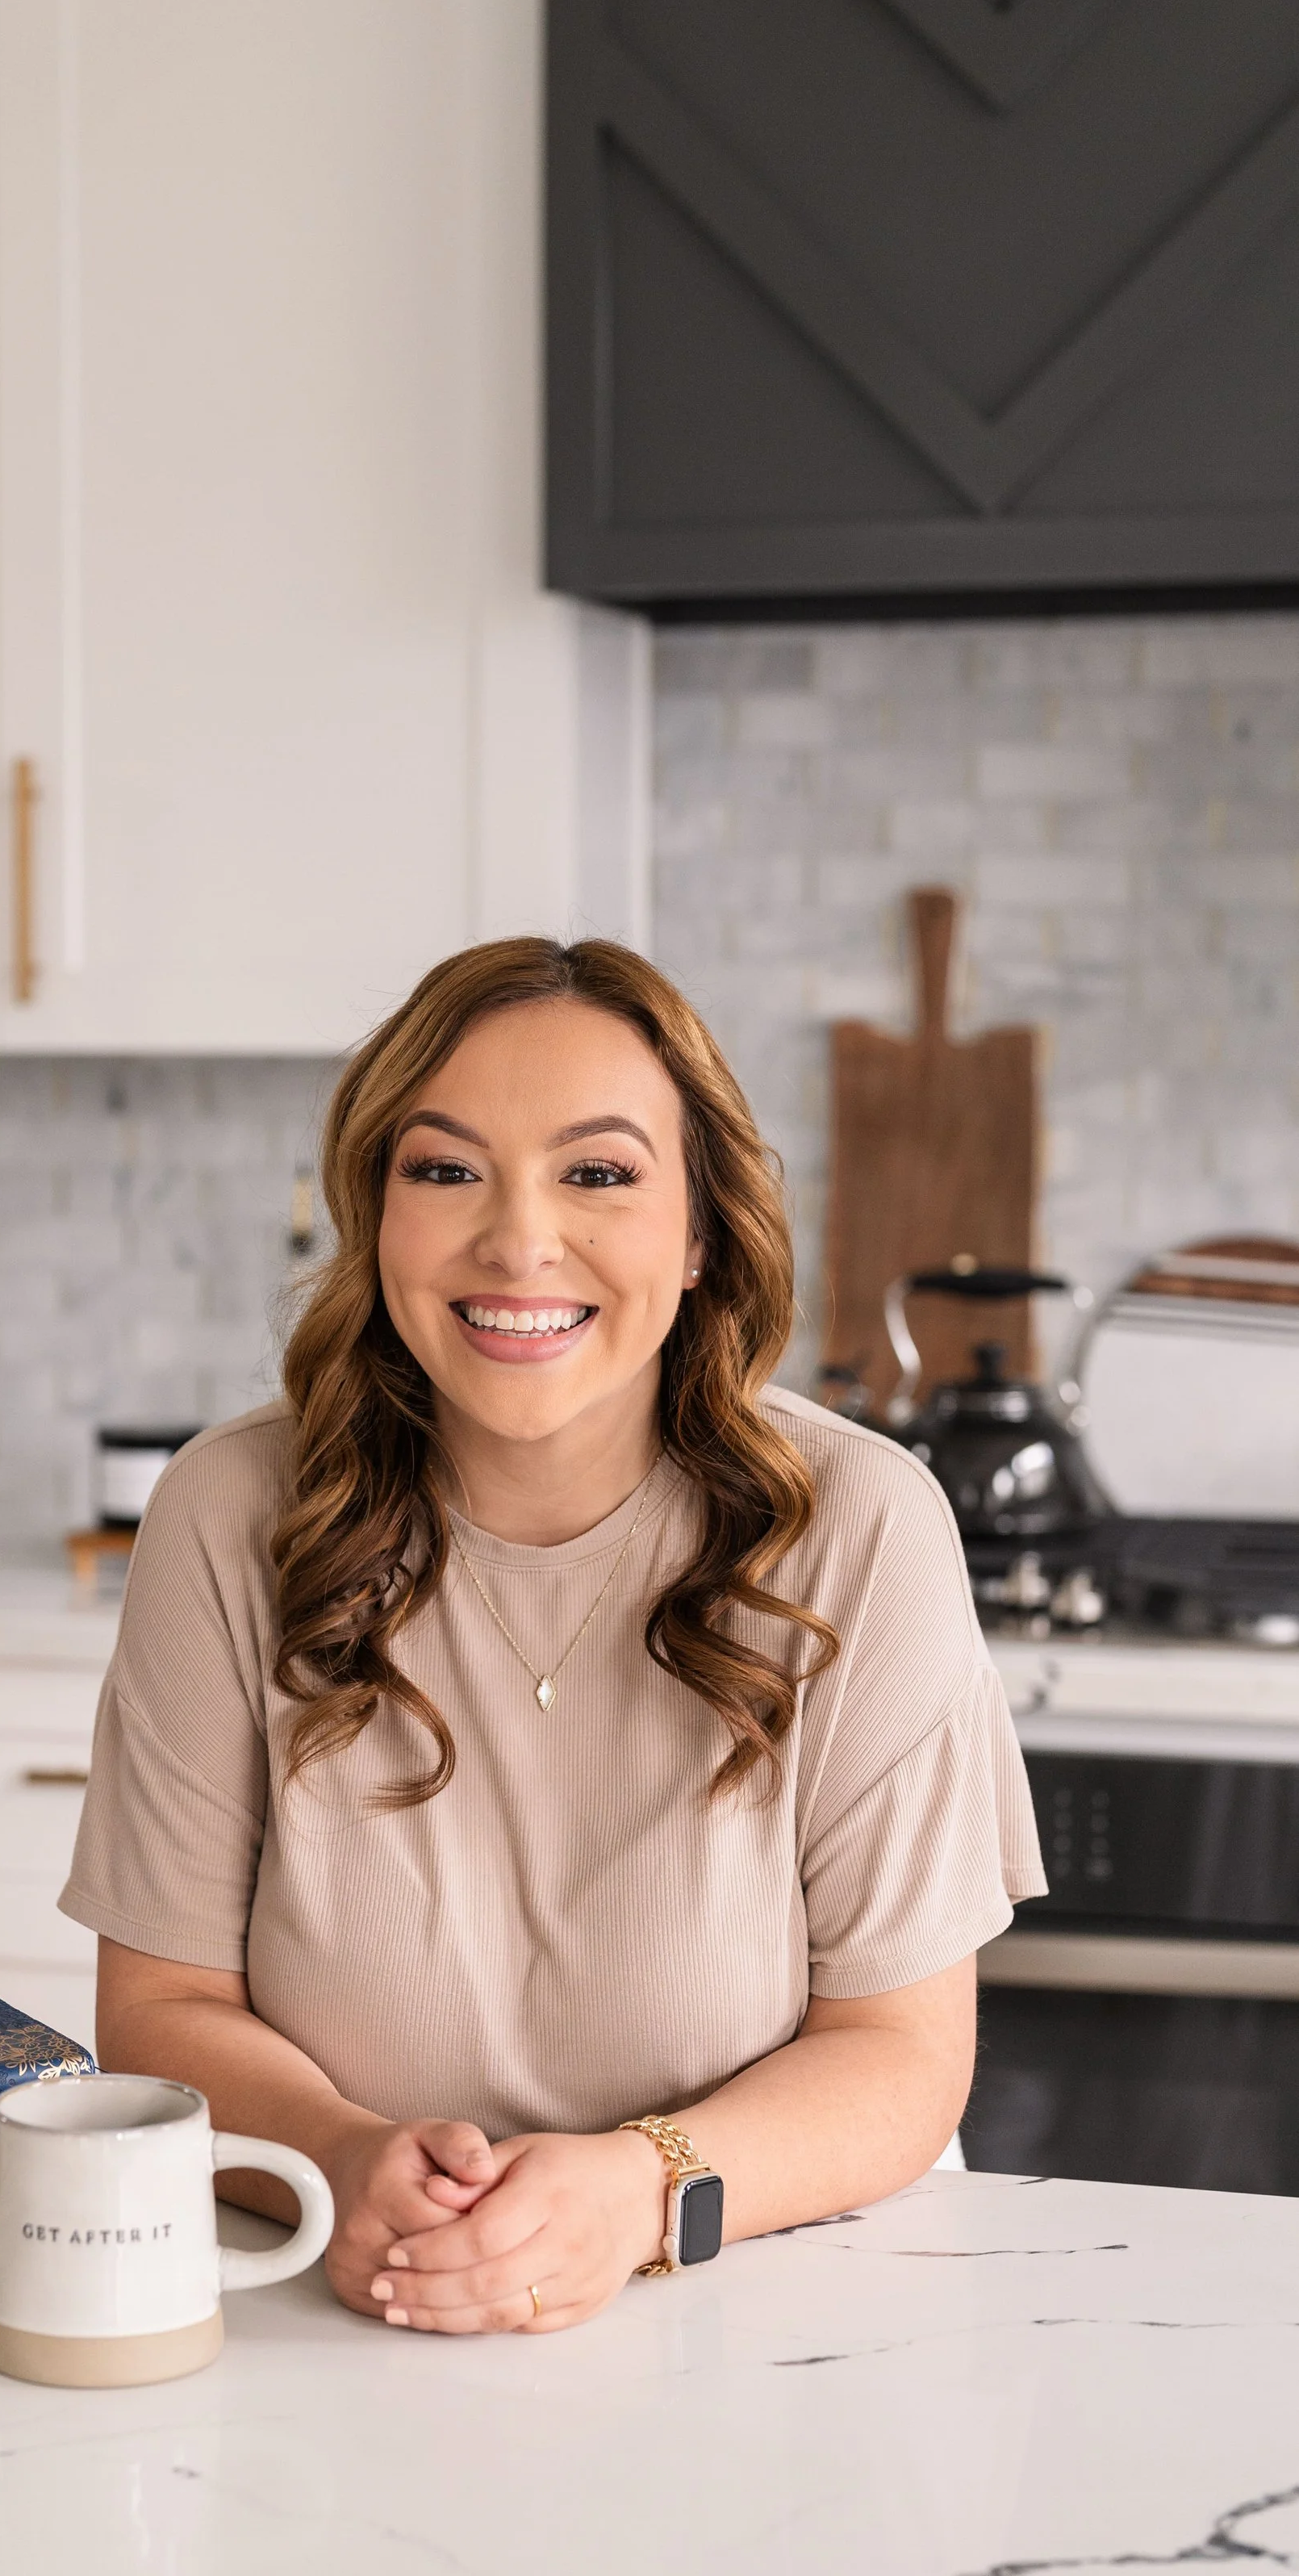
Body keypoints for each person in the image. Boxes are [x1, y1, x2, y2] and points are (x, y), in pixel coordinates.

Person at [60, 936, 1044, 2334]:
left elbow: (899, 2054)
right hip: (346, 2302)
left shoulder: (863, 1529)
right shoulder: (231, 1516)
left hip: (779, 2312)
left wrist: (641, 2191)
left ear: (700, 1231)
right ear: (376, 1217)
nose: (519, 1241)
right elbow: (160, 2005)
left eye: (598, 1173)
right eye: (446, 1168)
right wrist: (342, 2159)